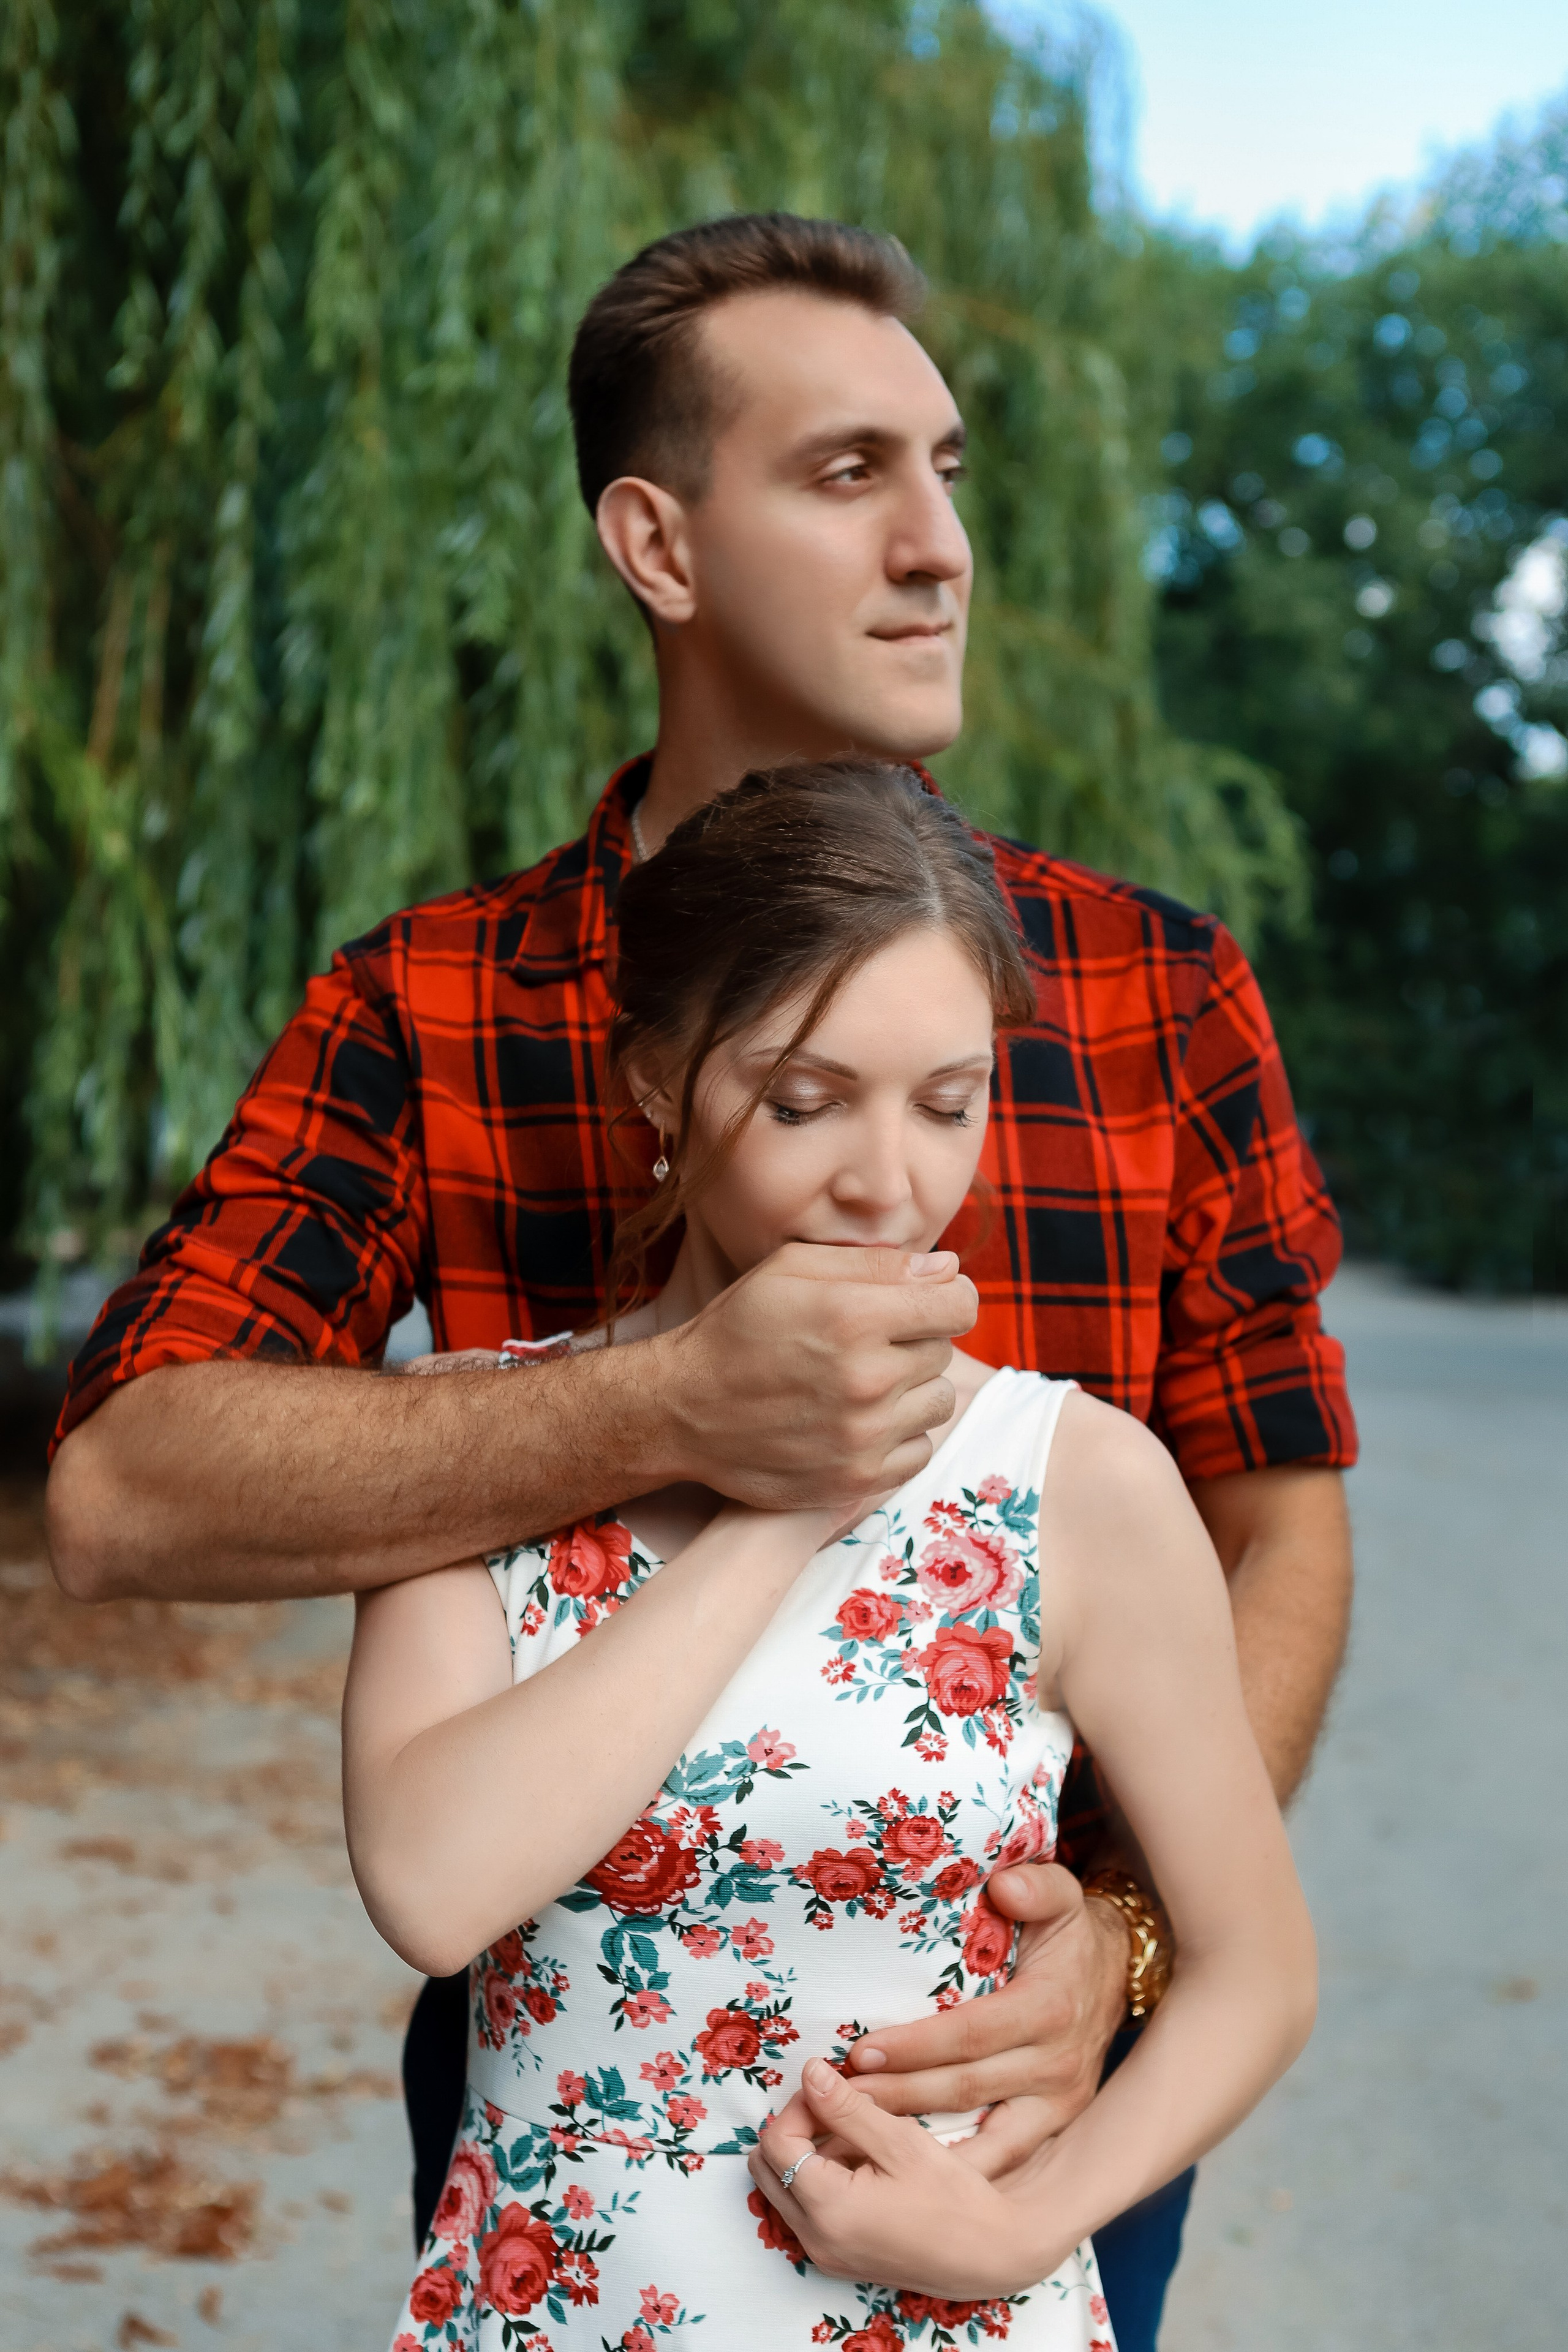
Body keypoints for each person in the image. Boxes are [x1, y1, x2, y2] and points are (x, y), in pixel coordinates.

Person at [45, 214, 1355, 2347]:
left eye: (952, 472)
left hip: (1017, 2087)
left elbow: (1273, 1522)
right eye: (851, 474)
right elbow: (121, 1490)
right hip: (585, 2100)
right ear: (655, 543)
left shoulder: (1156, 984)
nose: (940, 544)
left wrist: (1113, 1941)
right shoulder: (436, 1000)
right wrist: (677, 1412)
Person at [349, 758, 1316, 2350]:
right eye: (805, 1102)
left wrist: (1027, 2225)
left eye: (950, 1101)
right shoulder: (476, 1443)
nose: (890, 1182)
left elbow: (1258, 1968)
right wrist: (782, 1497)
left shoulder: (1076, 1482)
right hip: (556, 2309)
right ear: (658, 1085)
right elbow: (434, 1888)